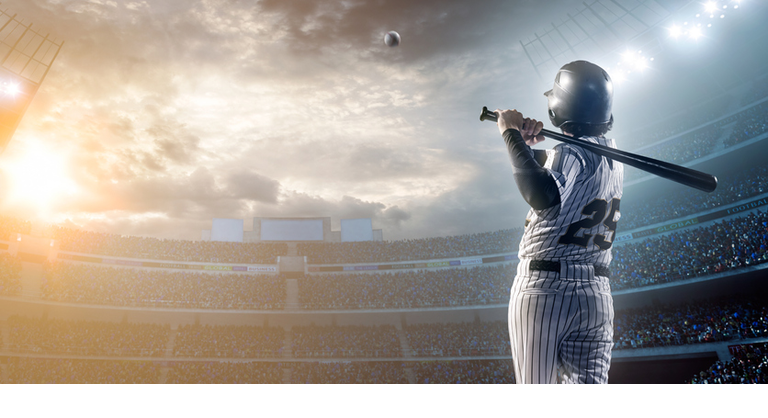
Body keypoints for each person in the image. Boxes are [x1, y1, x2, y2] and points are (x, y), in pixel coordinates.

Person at [495, 60, 623, 384]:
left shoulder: (570, 153)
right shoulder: (614, 156)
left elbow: (541, 192)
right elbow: (553, 166)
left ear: (558, 108)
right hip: (596, 293)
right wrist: (524, 146)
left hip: (545, 289)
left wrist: (510, 133)